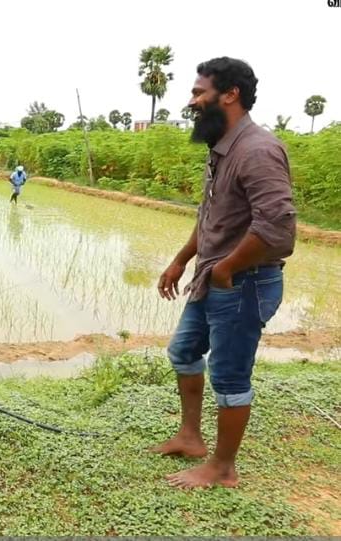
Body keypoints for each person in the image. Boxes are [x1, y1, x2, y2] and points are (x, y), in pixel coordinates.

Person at [153, 57, 296, 488]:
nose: (192, 101)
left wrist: (227, 268)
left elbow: (277, 226)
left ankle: (222, 468)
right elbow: (211, 217)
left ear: (230, 95)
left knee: (230, 376)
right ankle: (190, 437)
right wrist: (181, 260)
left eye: (199, 92)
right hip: (214, 276)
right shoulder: (222, 149)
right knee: (183, 351)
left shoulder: (258, 150)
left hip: (242, 281)